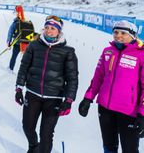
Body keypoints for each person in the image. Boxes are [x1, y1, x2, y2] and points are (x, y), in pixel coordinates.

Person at [15, 15, 79, 153]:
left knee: (46, 134)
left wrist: (69, 99)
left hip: (54, 98)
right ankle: (33, 146)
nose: (49, 31)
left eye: (53, 28)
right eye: (47, 28)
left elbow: (72, 78)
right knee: (28, 127)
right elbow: (24, 67)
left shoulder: (68, 52)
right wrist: (19, 88)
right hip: (32, 94)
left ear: (59, 31)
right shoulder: (34, 45)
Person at [78, 20, 144, 153]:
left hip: (129, 112)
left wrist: (142, 113)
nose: (118, 35)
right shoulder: (108, 51)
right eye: (115, 32)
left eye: (123, 33)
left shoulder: (141, 54)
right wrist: (88, 98)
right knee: (109, 147)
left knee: (130, 150)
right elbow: (98, 77)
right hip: (105, 108)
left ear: (133, 35)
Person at [7, 5, 35, 72]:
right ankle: (26, 71)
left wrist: (9, 42)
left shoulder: (14, 23)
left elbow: (10, 33)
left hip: (16, 44)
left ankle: (10, 68)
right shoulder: (27, 23)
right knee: (25, 59)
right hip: (26, 44)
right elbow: (31, 34)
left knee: (14, 57)